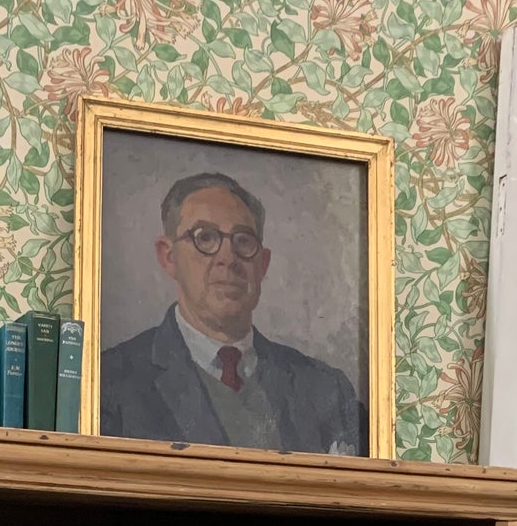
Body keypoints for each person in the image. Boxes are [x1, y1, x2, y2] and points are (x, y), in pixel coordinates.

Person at [99, 170, 366, 456]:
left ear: (262, 264)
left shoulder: (326, 390)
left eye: (243, 241)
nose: (228, 258)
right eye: (205, 237)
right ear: (168, 256)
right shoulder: (112, 382)